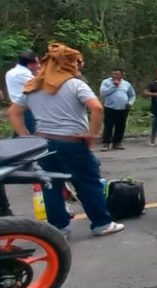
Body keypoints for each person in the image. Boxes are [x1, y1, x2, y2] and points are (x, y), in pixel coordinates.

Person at [8, 43, 125, 236]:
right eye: (77, 62)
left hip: (44, 143)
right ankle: (101, 223)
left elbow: (14, 112)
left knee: (52, 185)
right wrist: (92, 134)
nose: (79, 66)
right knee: (88, 181)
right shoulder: (75, 84)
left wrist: (26, 138)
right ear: (68, 64)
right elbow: (96, 108)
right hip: (71, 142)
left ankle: (59, 228)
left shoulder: (35, 85)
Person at [2, 50, 39, 217]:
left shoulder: (11, 72)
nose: (38, 66)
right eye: (36, 63)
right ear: (30, 63)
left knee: (19, 139)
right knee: (32, 140)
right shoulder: (24, 75)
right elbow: (39, 86)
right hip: (26, 109)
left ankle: (15, 163)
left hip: (18, 107)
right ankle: (31, 167)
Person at [99, 68, 136, 151]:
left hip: (123, 108)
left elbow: (132, 95)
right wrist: (113, 86)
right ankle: (106, 143)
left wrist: (130, 103)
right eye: (113, 73)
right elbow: (102, 93)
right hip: (110, 107)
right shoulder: (106, 82)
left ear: (122, 75)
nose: (114, 76)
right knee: (108, 125)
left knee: (121, 126)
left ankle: (117, 143)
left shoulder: (126, 84)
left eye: (117, 74)